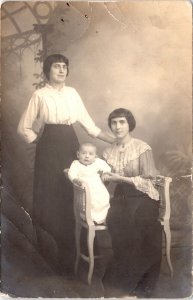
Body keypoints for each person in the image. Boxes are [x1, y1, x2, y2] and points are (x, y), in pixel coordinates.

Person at [17, 54, 114, 275]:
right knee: (51, 196)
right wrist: (40, 143)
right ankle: (51, 256)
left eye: (64, 67)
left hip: (70, 145)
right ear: (47, 71)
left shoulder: (72, 94)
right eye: (56, 67)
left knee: (74, 194)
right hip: (49, 148)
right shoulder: (39, 95)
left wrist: (115, 140)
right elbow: (23, 128)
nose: (61, 71)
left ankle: (75, 252)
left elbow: (91, 127)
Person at [102, 108, 162, 298]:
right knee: (117, 221)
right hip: (120, 197)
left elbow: (150, 180)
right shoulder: (107, 151)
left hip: (144, 196)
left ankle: (140, 287)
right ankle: (122, 286)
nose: (117, 126)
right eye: (114, 123)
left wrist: (120, 178)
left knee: (140, 227)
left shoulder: (142, 147)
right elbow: (107, 179)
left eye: (122, 122)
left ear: (129, 125)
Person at [68, 142, 111, 224]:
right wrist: (75, 179)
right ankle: (89, 217)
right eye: (84, 153)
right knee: (88, 203)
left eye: (91, 154)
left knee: (102, 199)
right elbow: (71, 173)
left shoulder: (97, 162)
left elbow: (107, 167)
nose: (87, 156)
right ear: (78, 154)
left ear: (95, 157)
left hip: (98, 188)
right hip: (84, 189)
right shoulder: (76, 164)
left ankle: (101, 218)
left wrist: (105, 173)